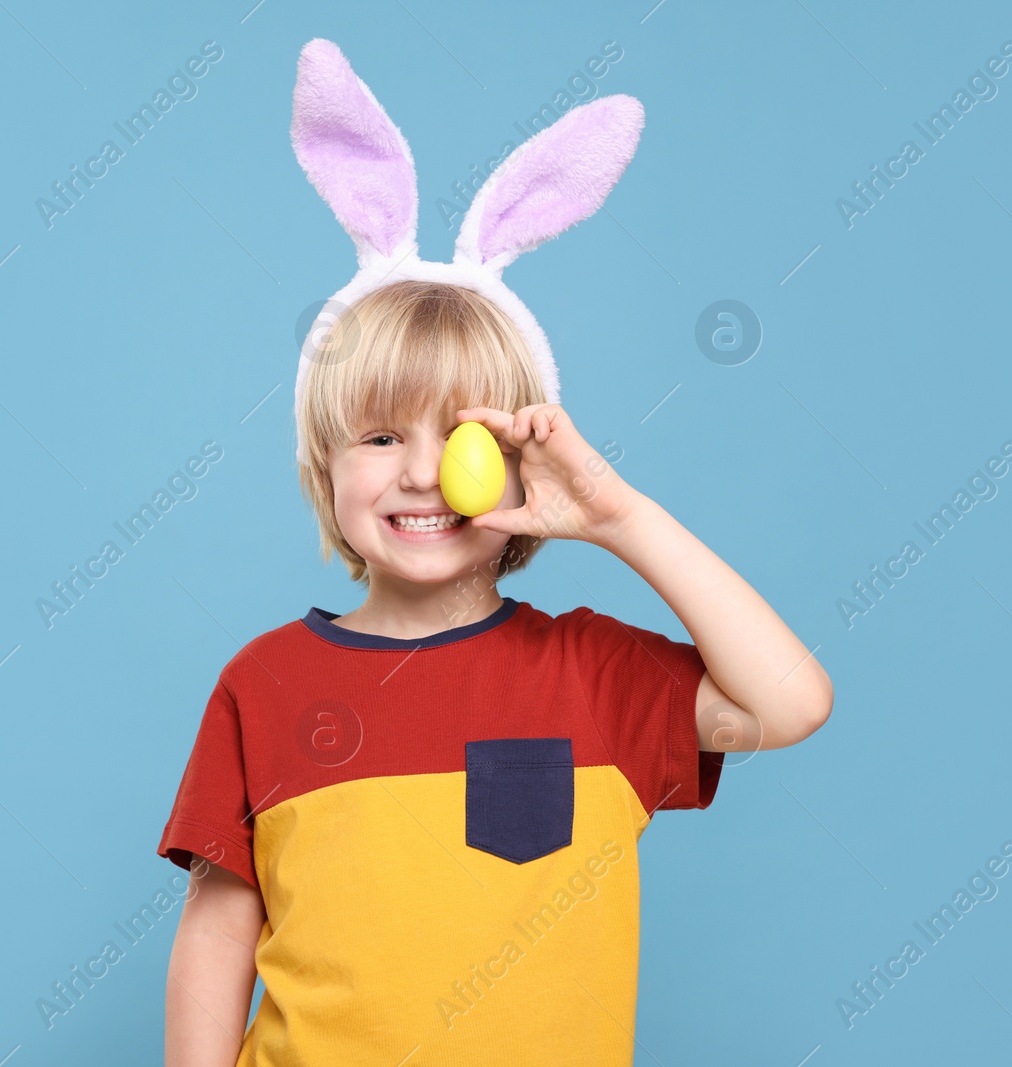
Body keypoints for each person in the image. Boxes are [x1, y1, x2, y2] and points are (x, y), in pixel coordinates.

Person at [157, 279, 833, 1066]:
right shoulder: (263, 682)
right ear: (324, 465)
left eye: (463, 438)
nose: (422, 473)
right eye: (380, 437)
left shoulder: (594, 673)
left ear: (522, 466)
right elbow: (217, 927)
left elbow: (790, 701)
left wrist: (618, 516)